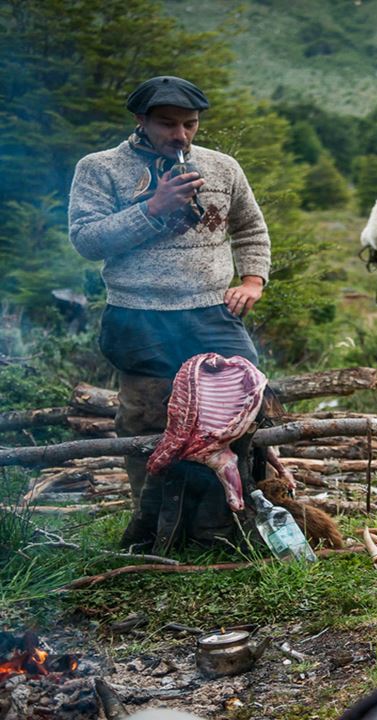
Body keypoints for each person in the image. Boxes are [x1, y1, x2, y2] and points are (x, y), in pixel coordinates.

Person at [68, 76, 271, 549]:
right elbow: (85, 240)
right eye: (167, 124)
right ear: (140, 120)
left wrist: (252, 281)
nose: (180, 135)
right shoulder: (101, 168)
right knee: (147, 419)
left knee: (243, 411)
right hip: (138, 314)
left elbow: (250, 230)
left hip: (211, 311)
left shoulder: (222, 168)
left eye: (190, 124)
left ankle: (222, 525)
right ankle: (153, 529)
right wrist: (153, 208)